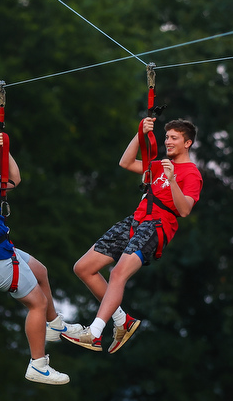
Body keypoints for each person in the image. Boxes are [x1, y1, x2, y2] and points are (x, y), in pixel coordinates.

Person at [61, 117, 203, 353]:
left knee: (118, 273)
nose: (168, 141)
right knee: (83, 267)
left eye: (174, 138)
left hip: (157, 226)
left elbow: (185, 210)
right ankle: (122, 321)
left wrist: (172, 181)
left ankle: (94, 333)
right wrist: (140, 134)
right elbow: (125, 162)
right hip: (135, 221)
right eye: (166, 137)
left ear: (187, 143)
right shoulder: (158, 165)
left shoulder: (191, 173)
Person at [0, 133, 82, 385]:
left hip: (4, 250)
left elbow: (15, 178)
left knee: (41, 271)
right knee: (37, 303)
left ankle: (55, 325)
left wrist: (6, 150)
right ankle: (38, 364)